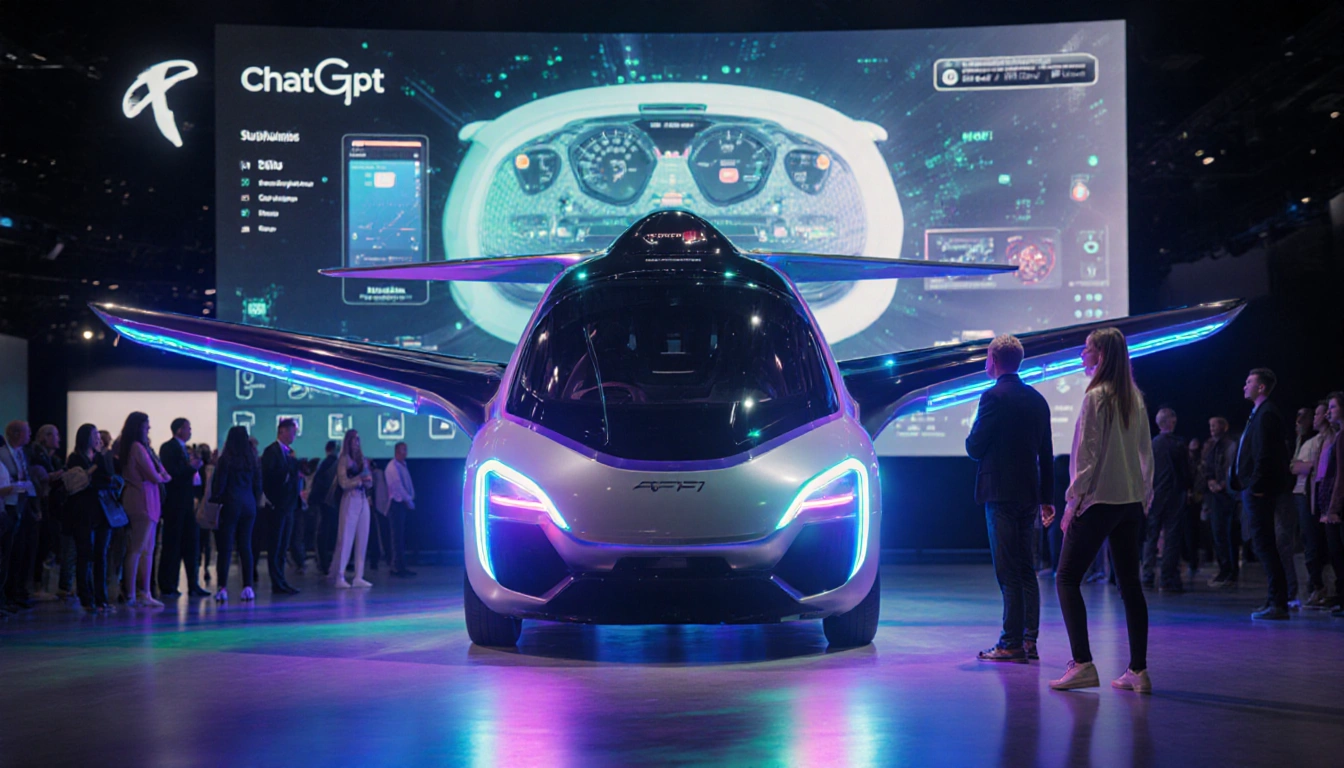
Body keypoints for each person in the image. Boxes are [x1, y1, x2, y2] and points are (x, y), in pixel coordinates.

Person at [1051, 328, 1154, 692]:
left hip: (1098, 500)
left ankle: (1082, 663)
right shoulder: (1134, 397)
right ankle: (1138, 671)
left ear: (1101, 356)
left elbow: (1086, 456)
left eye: (1087, 349)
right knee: (1130, 585)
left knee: (1065, 578)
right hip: (1128, 502)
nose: (1081, 355)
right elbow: (1146, 453)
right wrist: (1144, 496)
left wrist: (1071, 503)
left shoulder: (1097, 396)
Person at [965, 334, 1054, 663]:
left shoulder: (992, 397)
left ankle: (1010, 643)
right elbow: (1046, 453)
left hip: (1000, 495)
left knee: (1007, 571)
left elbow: (974, 447)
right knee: (1026, 568)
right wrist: (1048, 498)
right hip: (1029, 493)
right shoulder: (1037, 399)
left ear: (993, 359)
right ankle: (1029, 641)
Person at [1232, 368, 1292, 620]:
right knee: (1263, 544)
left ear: (1262, 387)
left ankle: (1278, 602)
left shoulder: (1266, 414)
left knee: (1265, 545)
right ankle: (1274, 600)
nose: (1244, 386)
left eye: (1249, 382)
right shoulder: (1259, 413)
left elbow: (1265, 454)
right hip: (1253, 488)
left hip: (1259, 491)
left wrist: (1256, 486)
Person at [118, 412, 172, 608]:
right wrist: (162, 476)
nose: (149, 428)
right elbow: (156, 475)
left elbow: (160, 474)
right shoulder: (137, 448)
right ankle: (133, 593)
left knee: (147, 551)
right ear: (138, 427)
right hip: (142, 502)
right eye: (146, 425)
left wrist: (161, 475)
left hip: (148, 500)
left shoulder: (139, 448)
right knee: (137, 549)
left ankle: (144, 592)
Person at [65, 424, 119, 613]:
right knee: (85, 555)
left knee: (101, 555)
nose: (99, 438)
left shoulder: (100, 457)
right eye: (95, 435)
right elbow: (77, 482)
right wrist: (97, 469)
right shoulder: (75, 458)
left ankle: (101, 598)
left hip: (102, 511)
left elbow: (111, 477)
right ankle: (86, 598)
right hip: (83, 512)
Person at [210, 426, 261, 602]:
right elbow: (257, 485)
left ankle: (222, 588)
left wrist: (217, 498)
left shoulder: (225, 460)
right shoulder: (252, 459)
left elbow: (218, 486)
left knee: (225, 548)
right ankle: (247, 587)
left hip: (230, 505)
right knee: (245, 547)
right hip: (249, 505)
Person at [157, 418, 207, 599]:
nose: (190, 431)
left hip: (186, 504)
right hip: (175, 504)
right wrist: (191, 468)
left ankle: (193, 584)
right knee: (173, 544)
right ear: (179, 430)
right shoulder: (169, 448)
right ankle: (168, 583)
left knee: (190, 544)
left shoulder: (184, 450)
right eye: (188, 428)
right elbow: (173, 474)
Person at [1142, 408, 1190, 592]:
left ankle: (1147, 575)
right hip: (1175, 495)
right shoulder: (1178, 444)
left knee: (1151, 536)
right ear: (1172, 422)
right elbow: (1185, 471)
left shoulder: (1152, 444)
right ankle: (1167, 577)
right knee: (1171, 537)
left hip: (1155, 495)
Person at [27, 424, 70, 600]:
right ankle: (37, 587)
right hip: (41, 506)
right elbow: (40, 478)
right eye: (55, 435)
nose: (58, 438)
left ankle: (40, 586)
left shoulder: (53, 459)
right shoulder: (37, 456)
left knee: (48, 545)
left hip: (52, 507)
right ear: (44, 437)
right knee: (41, 546)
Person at [1291, 405, 1328, 608]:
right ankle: (1314, 587)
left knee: (1315, 542)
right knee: (1306, 542)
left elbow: (1305, 466)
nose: (1303, 419)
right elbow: (1293, 465)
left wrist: (1300, 466)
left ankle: (1319, 587)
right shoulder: (1308, 441)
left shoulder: (1322, 442)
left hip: (1312, 495)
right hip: (1301, 494)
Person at [261, 419, 302, 595]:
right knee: (276, 544)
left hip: (288, 505)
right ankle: (276, 581)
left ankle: (281, 580)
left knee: (284, 544)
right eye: (292, 432)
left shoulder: (288, 453)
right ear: (282, 431)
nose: (294, 436)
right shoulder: (271, 452)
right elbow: (270, 477)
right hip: (277, 505)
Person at [329, 429, 373, 589]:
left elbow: (370, 482)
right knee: (346, 537)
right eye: (354, 439)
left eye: (358, 439)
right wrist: (358, 480)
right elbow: (343, 483)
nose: (356, 442)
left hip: (362, 499)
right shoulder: (344, 459)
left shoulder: (363, 459)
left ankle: (358, 576)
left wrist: (366, 481)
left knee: (363, 537)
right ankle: (340, 575)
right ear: (348, 441)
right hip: (350, 498)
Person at [1, 420, 36, 611]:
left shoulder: (21, 453)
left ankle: (16, 593)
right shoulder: (4, 454)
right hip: (10, 505)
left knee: (21, 551)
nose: (29, 434)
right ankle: (8, 595)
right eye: (26, 431)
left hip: (22, 504)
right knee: (10, 553)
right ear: (16, 434)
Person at [1203, 417, 1239, 587]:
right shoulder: (1212, 446)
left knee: (1226, 533)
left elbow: (1231, 468)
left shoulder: (1230, 445)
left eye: (1214, 425)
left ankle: (1229, 571)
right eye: (1210, 425)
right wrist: (1210, 481)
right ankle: (1225, 569)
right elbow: (1208, 468)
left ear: (1224, 427)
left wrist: (1222, 484)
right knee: (1218, 533)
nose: (1211, 428)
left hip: (1227, 495)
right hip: (1215, 495)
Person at [1318, 393, 1344, 617]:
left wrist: (1333, 508)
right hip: (1335, 503)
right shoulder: (1339, 436)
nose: (1329, 412)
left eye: (1333, 407)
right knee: (1336, 552)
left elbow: (1340, 475)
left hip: (1339, 506)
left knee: (1338, 551)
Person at [385, 442, 418, 578]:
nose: (405, 453)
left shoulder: (401, 465)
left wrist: (411, 497)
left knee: (400, 537)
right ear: (396, 452)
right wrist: (408, 500)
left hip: (401, 505)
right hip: (396, 505)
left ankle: (400, 566)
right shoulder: (392, 467)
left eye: (406, 450)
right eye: (403, 450)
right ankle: (397, 567)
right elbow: (397, 486)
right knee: (396, 538)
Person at [312, 441, 339, 574]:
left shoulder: (324, 463)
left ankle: (323, 562)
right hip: (333, 503)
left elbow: (317, 483)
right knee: (328, 532)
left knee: (322, 533)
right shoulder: (336, 463)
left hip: (324, 502)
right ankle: (327, 562)